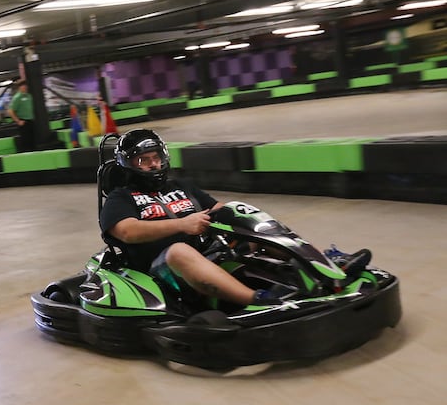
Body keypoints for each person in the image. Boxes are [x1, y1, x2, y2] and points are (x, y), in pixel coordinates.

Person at [98, 129, 370, 307]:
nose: (154, 164)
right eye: (144, 160)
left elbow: (217, 209)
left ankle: (325, 268)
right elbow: (127, 232)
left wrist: (240, 217)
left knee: (251, 224)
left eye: (156, 157)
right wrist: (183, 224)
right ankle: (258, 300)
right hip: (164, 272)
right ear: (128, 165)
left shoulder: (181, 186)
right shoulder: (121, 197)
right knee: (179, 250)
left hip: (208, 252)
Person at [7, 79, 35, 152]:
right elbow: (10, 111)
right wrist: (18, 121)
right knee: (26, 141)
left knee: (33, 140)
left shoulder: (29, 96)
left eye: (25, 85)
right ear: (19, 87)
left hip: (31, 120)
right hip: (23, 122)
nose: (24, 87)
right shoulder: (17, 97)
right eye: (22, 86)